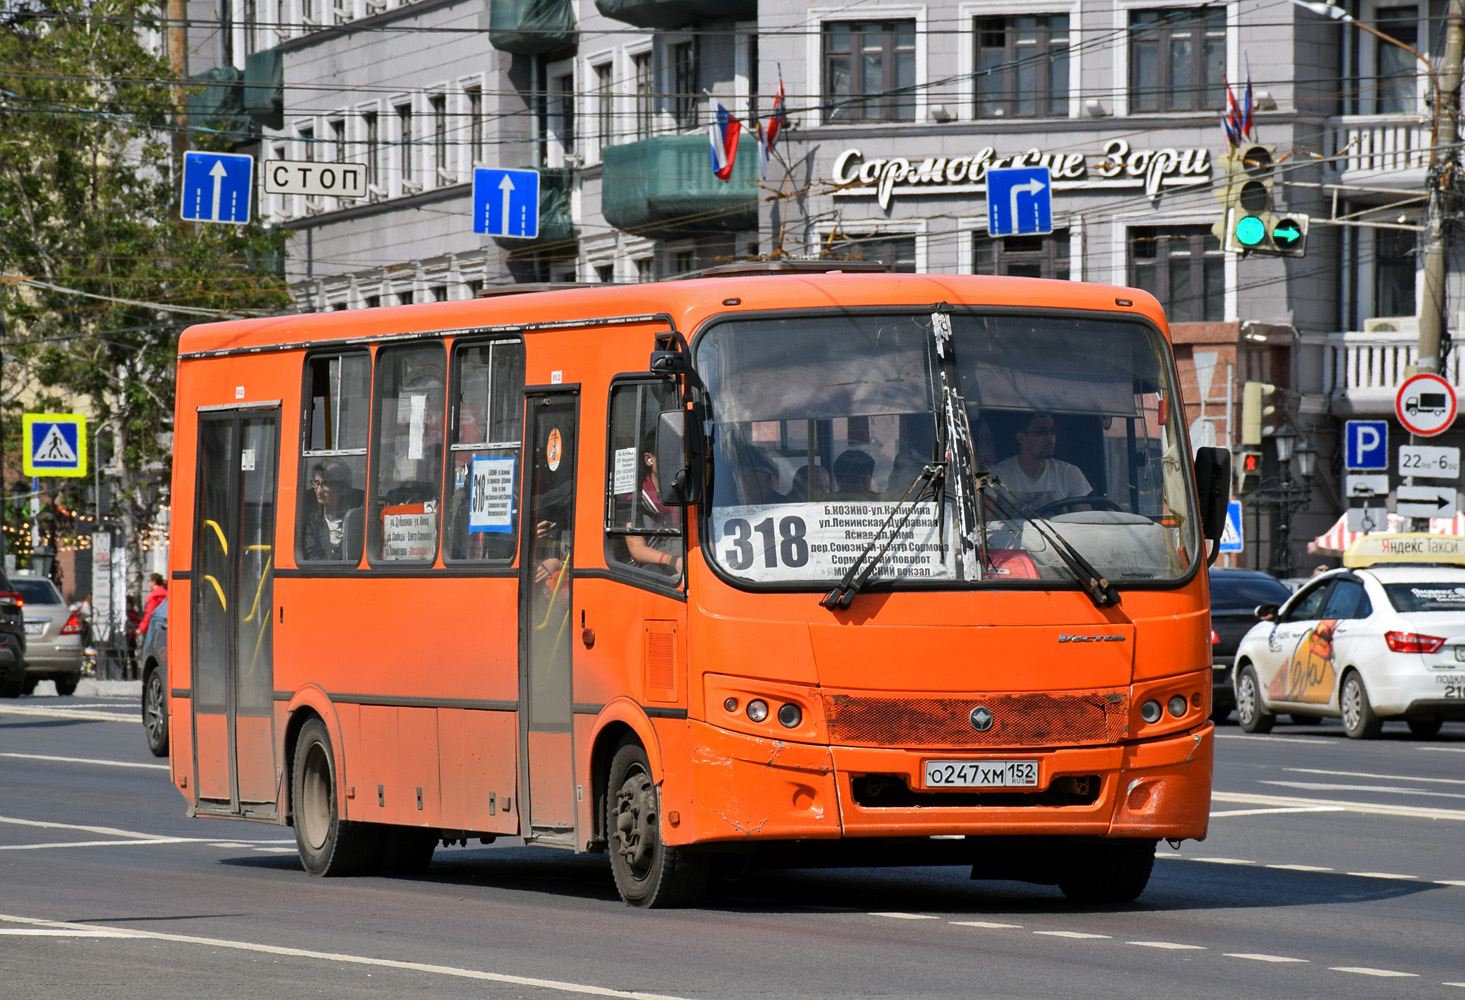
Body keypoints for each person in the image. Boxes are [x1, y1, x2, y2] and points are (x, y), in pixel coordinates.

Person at [990, 411, 1092, 509]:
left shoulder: (1069, 474)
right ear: (1022, 438)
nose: (1050, 438)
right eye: (1042, 432)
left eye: (1053, 431)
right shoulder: (996, 476)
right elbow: (985, 525)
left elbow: (1086, 522)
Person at [625, 431, 683, 576]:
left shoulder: (684, 490)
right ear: (649, 459)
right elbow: (637, 550)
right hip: (654, 568)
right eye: (667, 455)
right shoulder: (637, 498)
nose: (675, 461)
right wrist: (673, 561)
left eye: (677, 455)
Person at [302, 457, 358, 560]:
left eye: (325, 484)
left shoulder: (356, 520)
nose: (319, 491)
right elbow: (313, 558)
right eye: (317, 483)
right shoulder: (313, 523)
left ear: (342, 487)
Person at [135, 573, 166, 643]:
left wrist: (141, 628)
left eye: (149, 581)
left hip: (154, 627)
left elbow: (149, 613)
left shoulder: (154, 596)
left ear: (154, 582)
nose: (148, 583)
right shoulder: (165, 594)